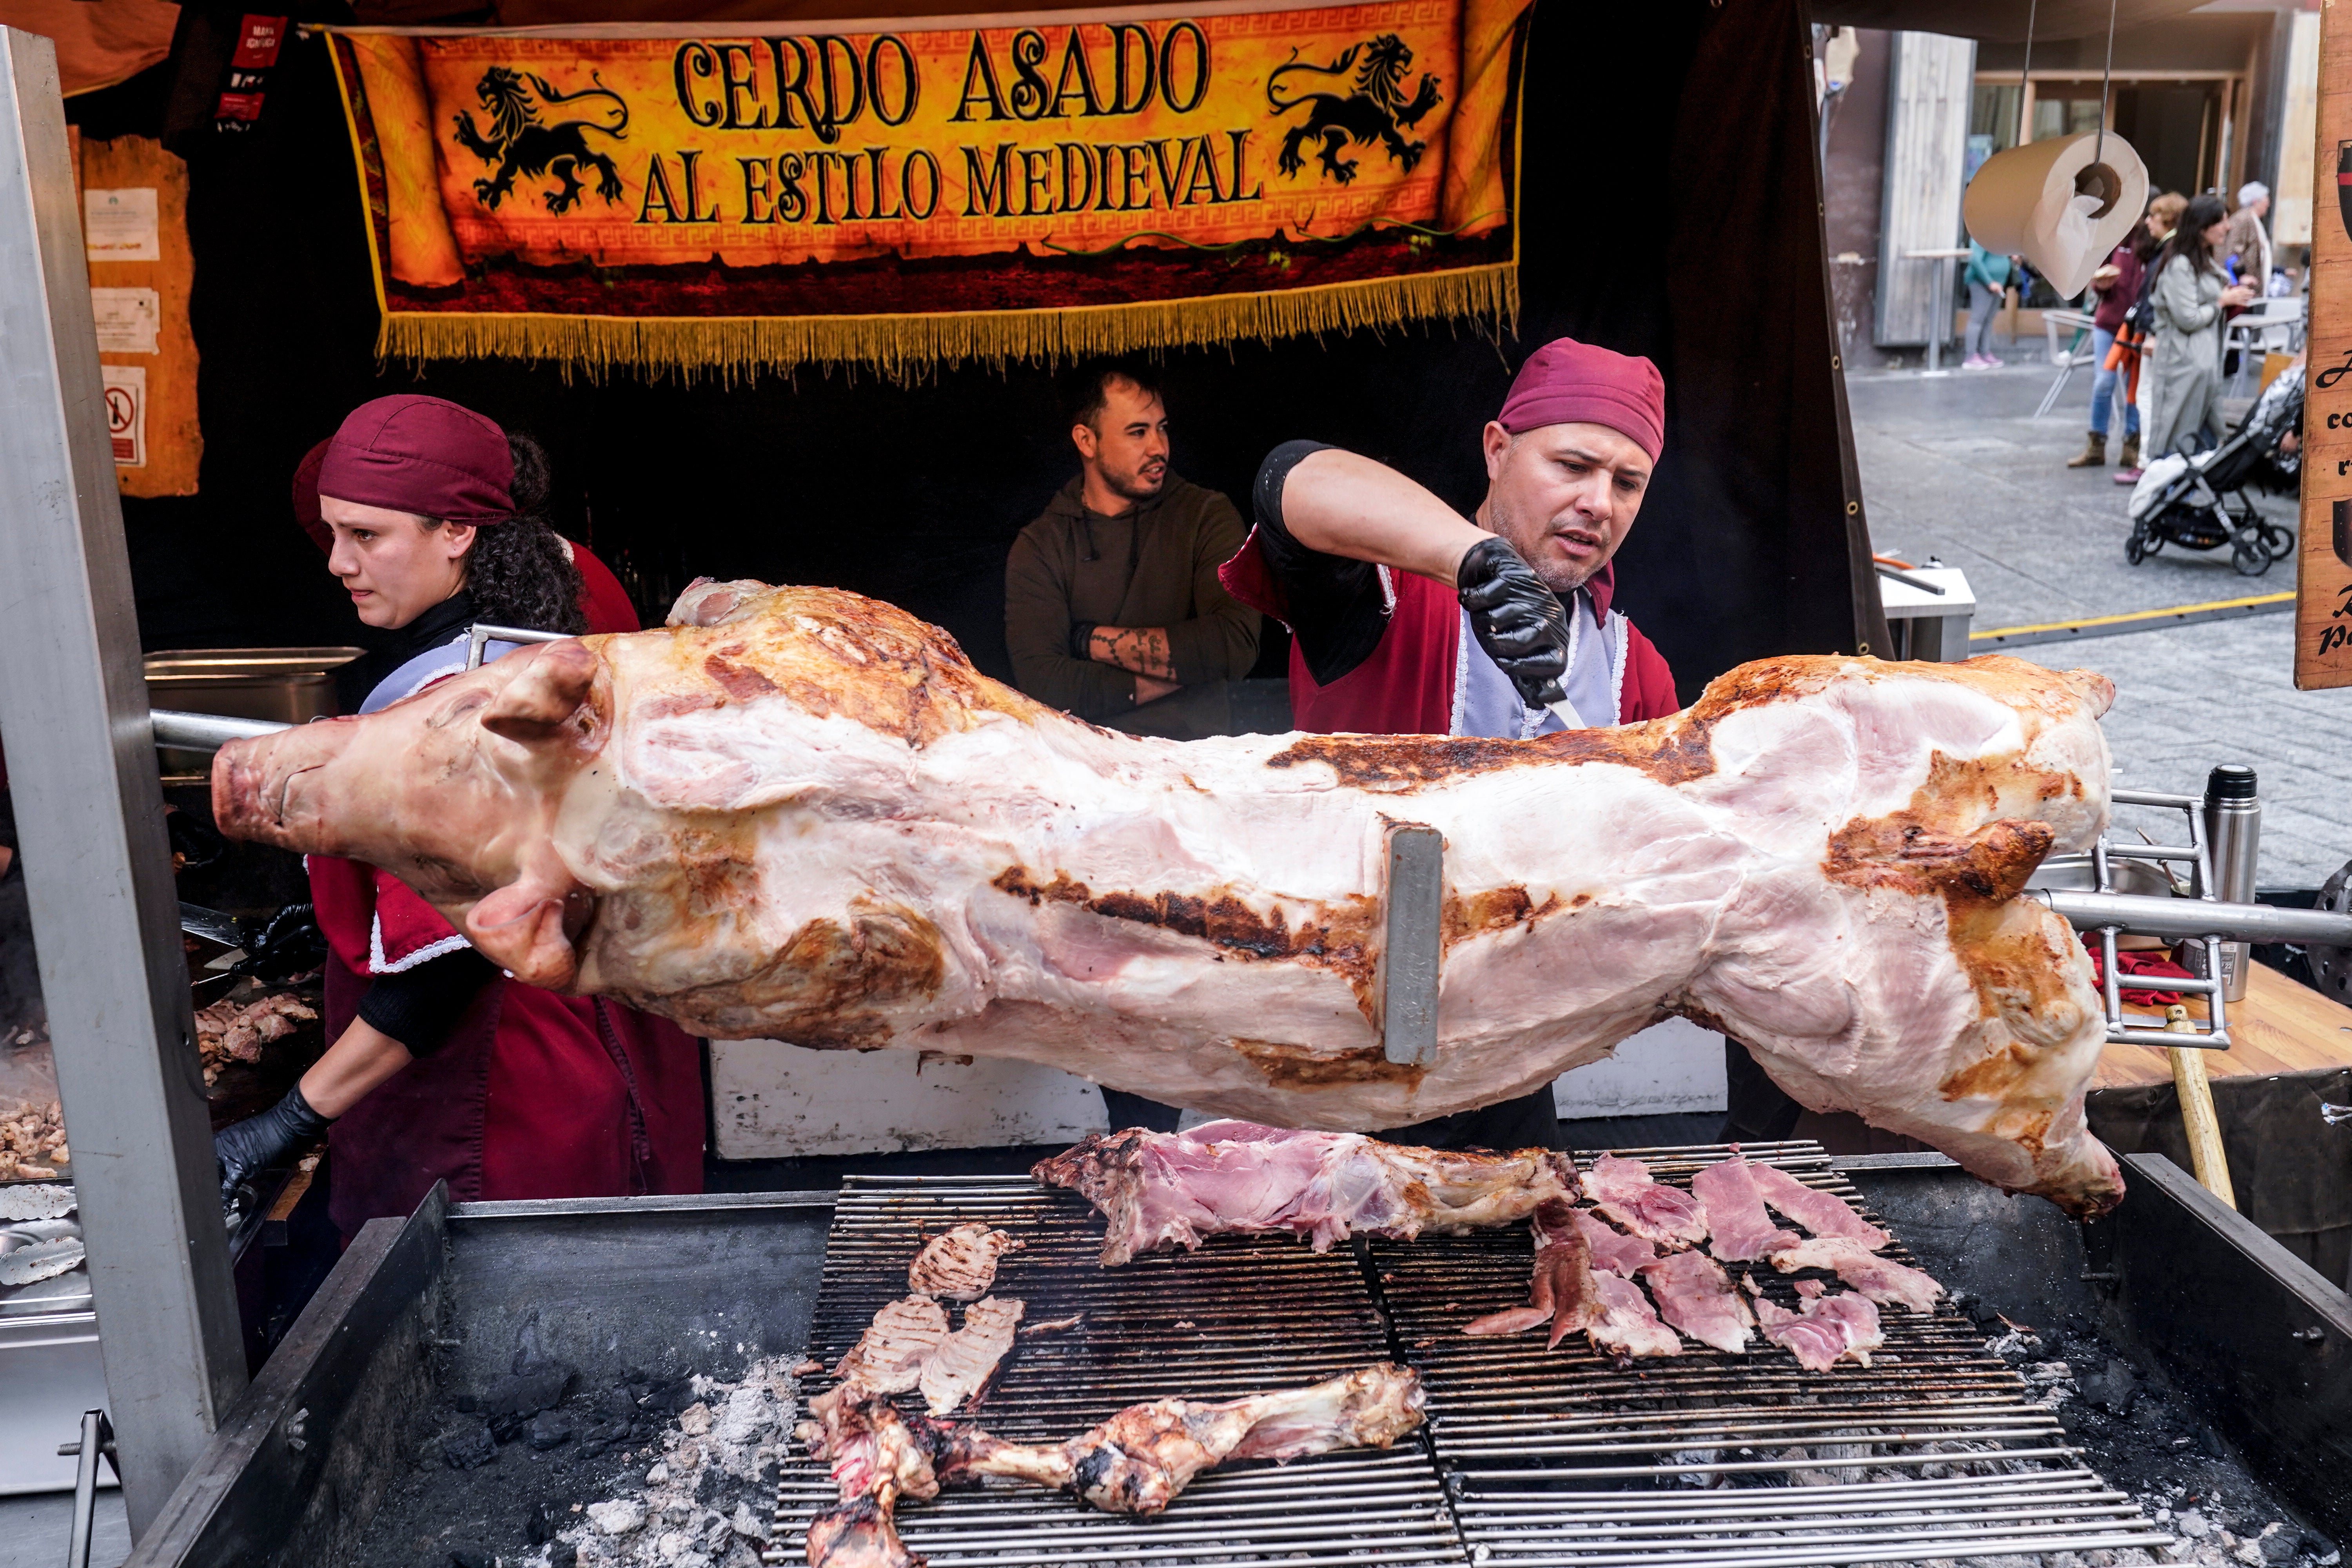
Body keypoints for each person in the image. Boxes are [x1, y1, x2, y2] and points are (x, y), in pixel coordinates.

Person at [214, 395, 705, 1238]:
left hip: (501, 1090)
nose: (338, 562)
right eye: (333, 534)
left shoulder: (461, 707)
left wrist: (290, 1118)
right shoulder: (534, 624)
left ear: (457, 533)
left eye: (366, 536)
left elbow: (447, 967)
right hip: (586, 1056)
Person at [1216, 337, 1681, 1151]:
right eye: (1572, 466)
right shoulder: (1391, 591)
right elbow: (1289, 479)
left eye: (1627, 482)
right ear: (1497, 451)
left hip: (1511, 1072)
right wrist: (1474, 561)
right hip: (1332, 1061)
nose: (1599, 502)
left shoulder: (1633, 669)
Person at [1004, 360, 1260, 724]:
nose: (1159, 447)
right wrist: (1190, 671)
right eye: (1138, 432)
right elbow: (1043, 684)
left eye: (1162, 429)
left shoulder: (1206, 515)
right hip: (1084, 768)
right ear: (1087, 441)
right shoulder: (1042, 545)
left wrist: (1087, 641)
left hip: (1197, 765)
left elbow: (1235, 646)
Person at [2142, 193, 2260, 463]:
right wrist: (2223, 300)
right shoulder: (2180, 265)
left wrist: (2231, 298)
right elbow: (2189, 318)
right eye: (2221, 221)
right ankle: (2165, 501)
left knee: (2203, 448)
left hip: (2203, 372)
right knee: (2176, 447)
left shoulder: (2203, 263)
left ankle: (2189, 502)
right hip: (2183, 371)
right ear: (2202, 226)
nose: (2228, 227)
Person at [2111, 192, 2188, 485]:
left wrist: (2153, 332)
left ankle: (2147, 460)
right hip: (2160, 334)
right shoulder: (2171, 249)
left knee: (2149, 396)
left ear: (2167, 219)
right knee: (2150, 396)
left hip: (2159, 336)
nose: (2148, 222)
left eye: (2153, 216)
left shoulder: (2170, 251)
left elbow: (2161, 298)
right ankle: (2151, 458)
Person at [2067, 224, 2148, 470]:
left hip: (2137, 325)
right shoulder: (2114, 235)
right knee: (2105, 380)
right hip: (2108, 323)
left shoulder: (2152, 243)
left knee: (2135, 384)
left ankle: (2131, 445)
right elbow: (2097, 275)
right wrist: (2100, 284)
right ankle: (2096, 445)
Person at [1961, 241, 2013, 370]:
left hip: (1997, 284)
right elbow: (1975, 261)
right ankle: (1970, 357)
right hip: (1981, 283)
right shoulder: (1980, 235)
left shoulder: (1997, 236)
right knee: (1977, 319)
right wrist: (1989, 282)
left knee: (1988, 320)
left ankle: (1984, 353)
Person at [2221, 181, 2273, 293]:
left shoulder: (2253, 220)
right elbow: (2232, 249)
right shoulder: (2243, 220)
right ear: (2256, 202)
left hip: (2253, 288)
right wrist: (2241, 276)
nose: (2268, 204)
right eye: (2266, 200)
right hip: (2244, 289)